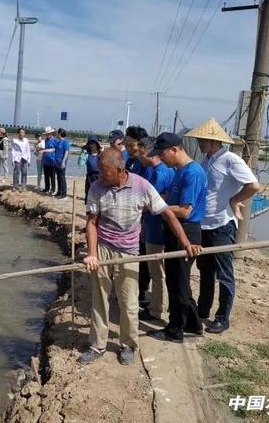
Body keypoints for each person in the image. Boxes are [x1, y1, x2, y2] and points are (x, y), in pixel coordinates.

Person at [77, 149, 201, 366]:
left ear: (120, 170)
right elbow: (91, 223)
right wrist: (92, 254)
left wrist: (186, 243)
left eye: (105, 173)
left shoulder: (141, 186)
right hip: (104, 249)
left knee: (129, 302)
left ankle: (128, 345)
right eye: (99, 172)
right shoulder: (97, 187)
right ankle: (97, 345)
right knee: (100, 301)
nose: (100, 177)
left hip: (129, 252)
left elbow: (168, 214)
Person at [185, 118, 260, 334]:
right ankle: (203, 309)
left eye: (204, 139)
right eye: (199, 139)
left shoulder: (231, 160)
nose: (200, 142)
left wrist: (235, 200)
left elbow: (253, 185)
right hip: (204, 225)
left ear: (215, 140)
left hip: (222, 225)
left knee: (224, 273)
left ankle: (222, 317)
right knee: (205, 270)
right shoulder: (206, 162)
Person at [150, 132, 207, 343]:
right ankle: (193, 324)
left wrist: (158, 209)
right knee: (177, 281)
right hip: (175, 230)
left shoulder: (193, 173)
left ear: (175, 149)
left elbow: (185, 211)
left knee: (178, 284)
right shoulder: (179, 171)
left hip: (187, 231)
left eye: (162, 154)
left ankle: (175, 331)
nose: (161, 158)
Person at [136, 137, 176, 322]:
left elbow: (150, 202)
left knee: (157, 270)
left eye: (142, 153)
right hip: (152, 224)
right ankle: (157, 303)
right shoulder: (160, 170)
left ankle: (156, 308)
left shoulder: (160, 173)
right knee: (157, 270)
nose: (140, 157)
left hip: (157, 226)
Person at [123, 126, 152, 306]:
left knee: (141, 253)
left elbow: (147, 191)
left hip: (141, 214)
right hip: (129, 212)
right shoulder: (129, 161)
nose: (126, 147)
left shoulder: (144, 164)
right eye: (125, 144)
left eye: (130, 143)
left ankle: (140, 290)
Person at [83, 136, 101, 202]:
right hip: (90, 178)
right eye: (90, 144)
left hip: (99, 178)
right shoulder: (87, 155)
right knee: (89, 196)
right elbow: (80, 163)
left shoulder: (101, 155)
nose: (91, 146)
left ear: (97, 145)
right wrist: (83, 152)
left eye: (93, 143)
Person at [53, 128, 70, 200]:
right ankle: (59, 192)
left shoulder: (65, 142)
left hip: (61, 163)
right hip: (56, 162)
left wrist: (63, 162)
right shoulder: (58, 141)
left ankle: (64, 194)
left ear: (60, 134)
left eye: (57, 133)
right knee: (58, 178)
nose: (57, 134)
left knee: (62, 178)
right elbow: (55, 149)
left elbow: (66, 152)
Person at [40, 127, 57, 194]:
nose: (47, 135)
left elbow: (54, 149)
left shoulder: (54, 140)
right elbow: (45, 148)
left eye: (48, 134)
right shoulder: (46, 140)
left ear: (51, 133)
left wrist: (45, 150)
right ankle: (47, 188)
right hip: (45, 160)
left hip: (52, 161)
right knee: (46, 176)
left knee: (52, 176)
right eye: (46, 134)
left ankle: (53, 189)